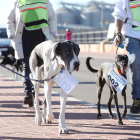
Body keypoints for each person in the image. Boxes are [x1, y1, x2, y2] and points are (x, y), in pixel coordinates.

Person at [7, 0, 57, 107]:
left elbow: (52, 18)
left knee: (42, 67)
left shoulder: (45, 1)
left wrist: (52, 33)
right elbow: (10, 20)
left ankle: (36, 93)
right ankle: (29, 93)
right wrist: (12, 35)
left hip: (41, 36)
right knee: (27, 65)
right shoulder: (18, 2)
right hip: (24, 36)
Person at [112, 0, 140, 113]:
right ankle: (137, 98)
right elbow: (119, 14)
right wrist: (118, 33)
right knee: (135, 61)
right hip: (131, 34)